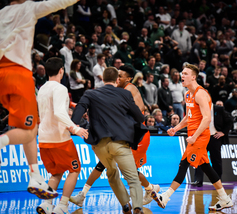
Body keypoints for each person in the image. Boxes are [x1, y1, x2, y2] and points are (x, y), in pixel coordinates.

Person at [0, 0, 79, 200]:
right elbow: (61, 2)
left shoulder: (1, 14)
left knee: (28, 128)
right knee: (29, 132)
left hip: (2, 74)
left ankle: (34, 175)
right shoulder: (29, 7)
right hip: (18, 74)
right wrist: (77, 129)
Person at [152, 64, 233, 212]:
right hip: (193, 135)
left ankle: (166, 196)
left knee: (183, 164)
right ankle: (225, 198)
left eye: (185, 73)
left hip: (200, 137)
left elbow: (207, 118)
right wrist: (175, 129)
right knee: (206, 167)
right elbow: (189, 118)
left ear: (194, 77)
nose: (182, 76)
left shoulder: (200, 93)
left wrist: (194, 137)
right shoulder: (187, 94)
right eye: (182, 73)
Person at [71, 67, 146, 214]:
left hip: (99, 146)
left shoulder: (90, 93)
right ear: (117, 79)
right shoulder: (125, 94)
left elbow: (79, 110)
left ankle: (125, 204)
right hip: (119, 143)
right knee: (132, 179)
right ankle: (137, 207)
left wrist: (74, 125)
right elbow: (140, 117)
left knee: (112, 173)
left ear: (102, 79)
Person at [36, 58, 88, 214]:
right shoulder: (60, 88)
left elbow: (49, 111)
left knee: (56, 173)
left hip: (44, 139)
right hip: (60, 139)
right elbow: (58, 112)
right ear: (61, 71)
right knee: (75, 169)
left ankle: (46, 204)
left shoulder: (42, 88)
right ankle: (63, 205)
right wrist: (74, 128)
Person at [193, 99, 233, 186]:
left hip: (214, 137)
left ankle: (217, 180)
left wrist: (223, 132)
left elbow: (230, 120)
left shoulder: (219, 109)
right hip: (203, 137)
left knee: (216, 160)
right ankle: (198, 180)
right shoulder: (199, 109)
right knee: (199, 159)